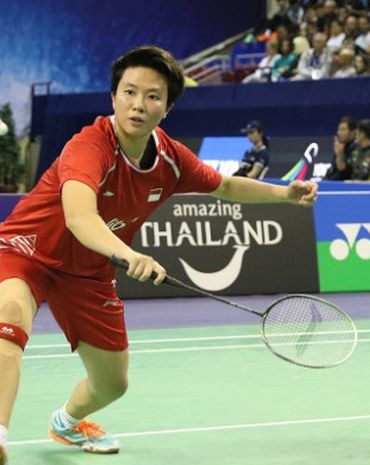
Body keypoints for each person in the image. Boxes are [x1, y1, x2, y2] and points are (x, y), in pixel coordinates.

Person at [0, 45, 318, 465]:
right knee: (9, 318)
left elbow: (224, 186)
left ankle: (67, 422)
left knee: (113, 384)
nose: (138, 104)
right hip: (28, 252)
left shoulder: (170, 159)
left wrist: (285, 194)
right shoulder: (89, 146)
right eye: (129, 92)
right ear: (113, 96)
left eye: (152, 96)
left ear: (166, 108)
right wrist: (128, 254)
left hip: (90, 274)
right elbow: (79, 217)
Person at [324, 116, 358, 181]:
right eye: (339, 130)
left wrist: (339, 153)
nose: (339, 133)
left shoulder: (356, 149)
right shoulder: (342, 146)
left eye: (343, 130)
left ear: (353, 132)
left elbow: (343, 173)